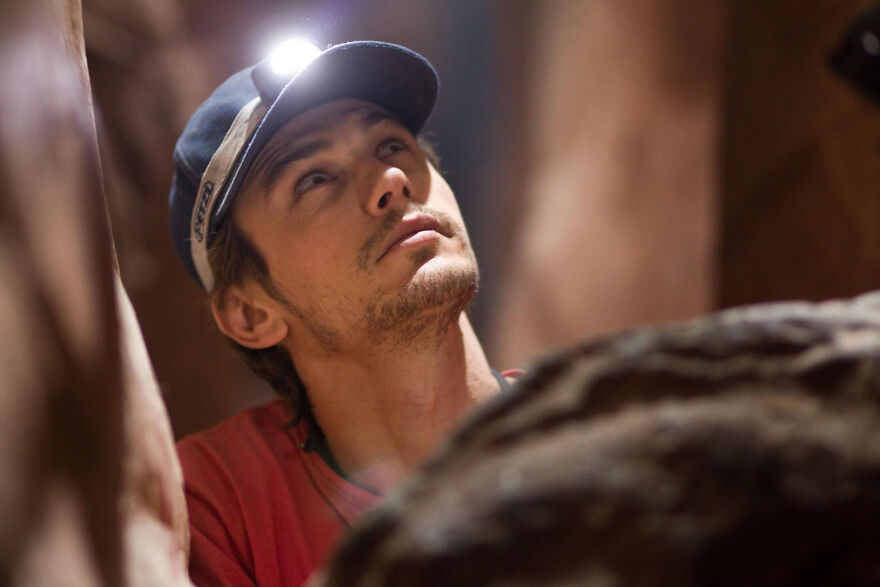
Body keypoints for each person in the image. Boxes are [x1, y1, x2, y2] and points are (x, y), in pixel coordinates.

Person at [168, 41, 520, 586]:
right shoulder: (218, 502)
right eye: (314, 178)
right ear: (250, 314)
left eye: (392, 145)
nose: (391, 181)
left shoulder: (605, 428)